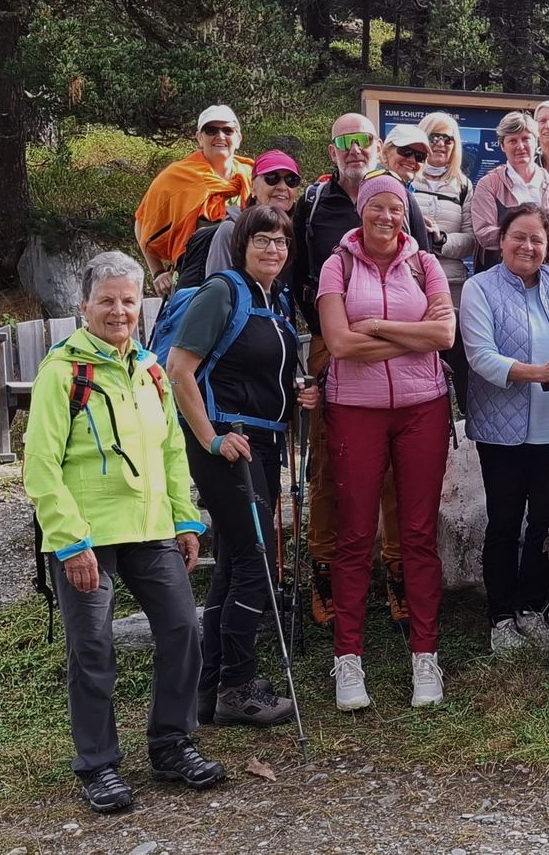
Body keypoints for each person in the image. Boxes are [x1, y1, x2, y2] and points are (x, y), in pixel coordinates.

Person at [24, 251, 225, 814]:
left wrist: (185, 518)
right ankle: (98, 765)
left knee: (184, 629)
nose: (118, 311)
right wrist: (70, 541)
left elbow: (170, 451)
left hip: (151, 528)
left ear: (142, 307)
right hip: (85, 535)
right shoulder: (62, 372)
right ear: (83, 305)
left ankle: (171, 743)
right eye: (107, 300)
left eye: (128, 301)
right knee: (91, 647)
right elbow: (40, 466)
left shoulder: (151, 369)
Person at [168, 205, 316, 727]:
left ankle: (211, 689)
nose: (273, 249)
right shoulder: (222, 292)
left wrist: (299, 396)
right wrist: (211, 439)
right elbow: (178, 369)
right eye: (262, 240)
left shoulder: (273, 301)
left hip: (263, 442)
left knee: (234, 565)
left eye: (281, 242)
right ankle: (239, 686)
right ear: (242, 245)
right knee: (257, 561)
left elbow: (259, 375)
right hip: (230, 445)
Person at [317, 172, 456, 710]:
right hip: (356, 410)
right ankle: (348, 659)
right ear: (361, 210)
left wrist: (374, 325)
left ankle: (426, 656)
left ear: (405, 214)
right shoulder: (338, 264)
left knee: (418, 534)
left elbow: (444, 336)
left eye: (395, 208)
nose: (385, 216)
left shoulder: (424, 264)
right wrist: (408, 336)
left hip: (423, 408)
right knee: (355, 536)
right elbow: (338, 344)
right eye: (376, 206)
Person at [289, 114, 410, 629]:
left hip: (397, 349)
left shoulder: (400, 199)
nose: (356, 150)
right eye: (346, 142)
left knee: (394, 468)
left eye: (364, 141)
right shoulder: (313, 205)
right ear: (333, 149)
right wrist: (321, 335)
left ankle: (398, 575)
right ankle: (326, 572)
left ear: (377, 147)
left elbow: (419, 261)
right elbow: (294, 279)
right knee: (329, 465)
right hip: (331, 348)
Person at [460, 203, 549, 653]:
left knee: (545, 522)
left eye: (538, 239)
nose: (528, 246)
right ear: (501, 239)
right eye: (519, 236)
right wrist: (541, 373)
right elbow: (480, 357)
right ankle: (500, 615)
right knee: (504, 521)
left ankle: (533, 606)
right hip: (501, 429)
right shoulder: (479, 288)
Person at [135, 105, 253, 296]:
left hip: (245, 275)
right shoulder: (176, 176)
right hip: (194, 276)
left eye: (227, 130)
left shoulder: (253, 176)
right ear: (199, 137)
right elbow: (141, 222)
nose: (220, 136)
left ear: (238, 138)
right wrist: (157, 272)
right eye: (211, 130)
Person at [414, 111, 477, 410]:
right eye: (433, 137)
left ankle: (464, 426)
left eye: (447, 138)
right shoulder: (407, 177)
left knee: (459, 362)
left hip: (452, 287)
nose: (440, 144)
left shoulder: (463, 185)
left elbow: (472, 239)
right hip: (412, 284)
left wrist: (440, 240)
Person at [192, 149, 302, 284]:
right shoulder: (231, 230)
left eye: (291, 180)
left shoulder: (296, 230)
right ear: (253, 186)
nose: (282, 187)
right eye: (272, 178)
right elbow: (216, 290)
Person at [472, 111, 549, 272]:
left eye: (526, 139)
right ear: (502, 146)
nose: (520, 146)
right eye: (512, 141)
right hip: (497, 274)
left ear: (536, 142)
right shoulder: (488, 185)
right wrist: (532, 237)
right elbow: (484, 233)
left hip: (546, 273)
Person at [380, 124, 434, 252]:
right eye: (406, 151)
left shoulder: (406, 189)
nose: (412, 160)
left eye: (420, 156)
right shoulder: (379, 188)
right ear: (386, 151)